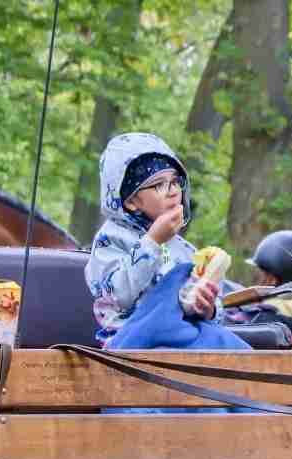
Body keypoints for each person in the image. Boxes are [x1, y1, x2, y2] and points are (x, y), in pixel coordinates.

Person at [86, 132, 230, 348]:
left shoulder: (181, 247)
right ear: (132, 200)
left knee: (229, 345)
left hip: (179, 335)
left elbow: (194, 303)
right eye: (158, 185)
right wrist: (152, 241)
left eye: (175, 182)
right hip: (130, 341)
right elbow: (116, 296)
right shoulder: (111, 239)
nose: (173, 192)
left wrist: (207, 307)